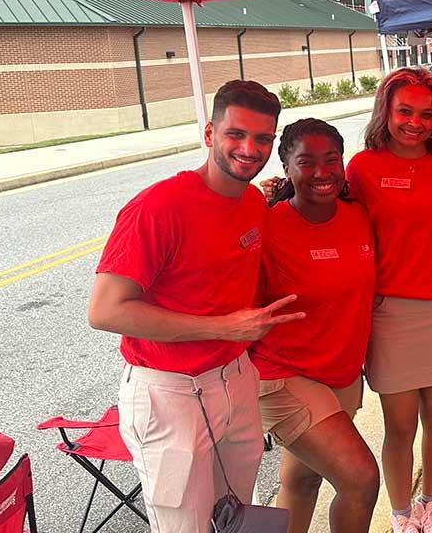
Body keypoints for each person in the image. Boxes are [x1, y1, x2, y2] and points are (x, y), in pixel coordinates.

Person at [87, 80, 300, 532]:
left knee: (236, 517)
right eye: (235, 134)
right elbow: (105, 310)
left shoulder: (253, 202)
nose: (249, 148)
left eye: (263, 138)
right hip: (170, 393)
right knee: (186, 526)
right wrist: (225, 327)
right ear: (209, 134)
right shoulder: (157, 207)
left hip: (237, 379)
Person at [346, 68, 432, 533]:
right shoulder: (362, 167)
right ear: (386, 112)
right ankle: (401, 515)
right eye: (405, 112)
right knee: (399, 424)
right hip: (390, 310)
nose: (415, 122)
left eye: (426, 115)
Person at [254, 118, 380, 533]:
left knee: (303, 478)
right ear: (286, 167)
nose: (322, 172)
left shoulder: (358, 215)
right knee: (360, 480)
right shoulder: (266, 226)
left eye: (331, 160)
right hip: (282, 373)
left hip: (339, 374)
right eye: (306, 162)